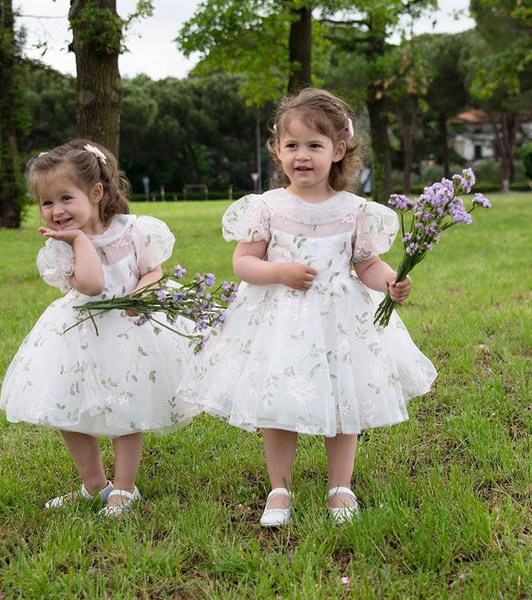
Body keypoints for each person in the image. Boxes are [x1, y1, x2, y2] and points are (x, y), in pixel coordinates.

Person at [175, 88, 437, 527]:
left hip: (339, 318)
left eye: (314, 146)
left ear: (338, 151)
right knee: (277, 403)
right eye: (291, 145)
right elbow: (243, 262)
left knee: (342, 399)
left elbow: (366, 263)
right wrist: (279, 272)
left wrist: (391, 281)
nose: (302, 156)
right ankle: (280, 488)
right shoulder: (266, 207)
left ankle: (341, 487)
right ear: (276, 150)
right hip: (280, 319)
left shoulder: (355, 210)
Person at [0, 139, 197, 516]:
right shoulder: (60, 247)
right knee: (67, 411)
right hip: (82, 334)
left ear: (96, 192)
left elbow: (152, 269)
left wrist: (140, 295)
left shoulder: (133, 229)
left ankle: (124, 489)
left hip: (128, 329)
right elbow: (90, 285)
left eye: (65, 198)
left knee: (126, 407)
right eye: (46, 202)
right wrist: (75, 240)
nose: (56, 211)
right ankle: (95, 486)